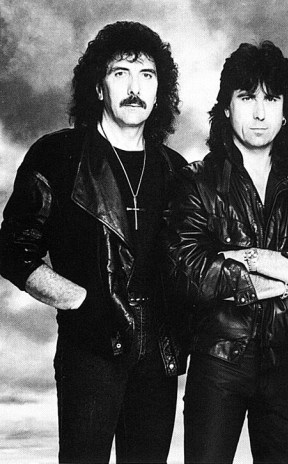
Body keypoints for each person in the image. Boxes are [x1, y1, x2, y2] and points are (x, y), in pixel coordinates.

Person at [0, 21, 186, 463]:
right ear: (99, 87)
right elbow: (12, 251)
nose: (134, 88)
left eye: (147, 75)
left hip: (159, 354)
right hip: (90, 347)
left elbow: (197, 257)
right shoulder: (58, 155)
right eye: (120, 73)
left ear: (160, 91)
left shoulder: (176, 170)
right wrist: (81, 301)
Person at [163, 40, 288, 464]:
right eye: (248, 97)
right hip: (218, 360)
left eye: (272, 99)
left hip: (287, 364)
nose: (260, 113)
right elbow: (189, 273)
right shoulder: (196, 182)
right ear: (226, 107)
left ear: (286, 112)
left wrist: (252, 259)